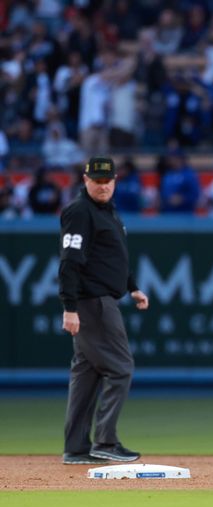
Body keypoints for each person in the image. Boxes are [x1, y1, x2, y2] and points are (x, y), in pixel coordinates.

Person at [58, 156, 149, 465]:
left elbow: (113, 257)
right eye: (96, 181)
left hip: (100, 299)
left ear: (115, 181)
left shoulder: (106, 211)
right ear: (85, 180)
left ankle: (76, 448)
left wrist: (133, 286)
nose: (103, 185)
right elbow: (70, 262)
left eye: (107, 180)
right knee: (121, 367)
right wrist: (69, 307)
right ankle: (106, 441)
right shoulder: (80, 211)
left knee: (87, 374)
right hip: (93, 303)